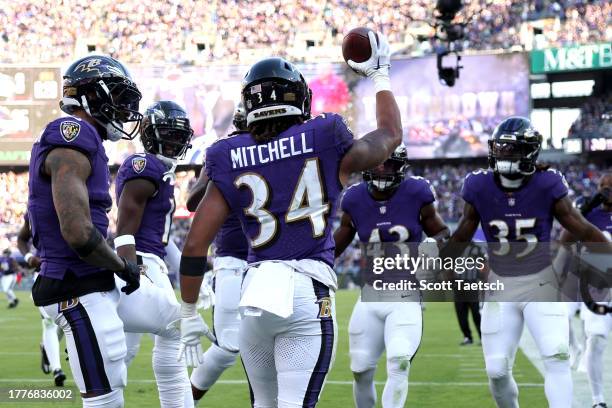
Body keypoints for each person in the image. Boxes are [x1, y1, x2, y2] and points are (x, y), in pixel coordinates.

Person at [178, 31, 402, 407]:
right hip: (306, 290)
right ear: (298, 98)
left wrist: (187, 313)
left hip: (254, 294)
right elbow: (390, 135)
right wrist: (380, 76)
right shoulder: (324, 134)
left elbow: (196, 243)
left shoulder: (227, 154)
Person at [445, 116, 610, 408]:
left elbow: (581, 227)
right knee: (496, 371)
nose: (504, 154)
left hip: (541, 282)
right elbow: (462, 234)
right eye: (500, 147)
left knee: (557, 356)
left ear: (529, 152)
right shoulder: (479, 186)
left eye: (511, 149)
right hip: (500, 285)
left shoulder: (547, 184)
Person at [28, 54, 142, 408]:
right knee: (104, 401)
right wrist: (122, 266)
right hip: (76, 285)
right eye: (119, 98)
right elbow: (78, 232)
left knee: (111, 390)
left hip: (82, 282)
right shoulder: (73, 135)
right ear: (94, 96)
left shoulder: (85, 140)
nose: (124, 109)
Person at [333, 145, 449, 408]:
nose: (382, 169)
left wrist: (432, 245)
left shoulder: (417, 192)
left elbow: (442, 232)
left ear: (401, 166)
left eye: (389, 164)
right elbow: (333, 247)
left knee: (399, 361)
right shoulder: (354, 199)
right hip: (370, 296)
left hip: (405, 296)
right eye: (377, 163)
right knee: (361, 370)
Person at [114, 100, 198, 408]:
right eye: (169, 134)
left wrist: (200, 277)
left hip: (150, 263)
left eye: (180, 135)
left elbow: (162, 241)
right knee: (177, 330)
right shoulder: (144, 166)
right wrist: (130, 268)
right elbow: (124, 226)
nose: (177, 141)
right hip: (140, 266)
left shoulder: (161, 172)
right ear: (151, 134)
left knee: (121, 355)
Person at [186, 107, 250, 405]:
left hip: (272, 261)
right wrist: (220, 174)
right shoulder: (222, 154)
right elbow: (192, 200)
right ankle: (185, 400)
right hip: (233, 260)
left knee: (267, 346)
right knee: (228, 345)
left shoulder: (277, 154)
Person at [557, 174, 611, 408]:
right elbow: (565, 239)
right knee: (596, 339)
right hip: (595, 282)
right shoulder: (587, 213)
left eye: (610, 186)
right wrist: (588, 207)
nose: (605, 190)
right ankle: (598, 400)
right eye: (601, 186)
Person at [16, 212, 66, 386]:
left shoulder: (78, 200)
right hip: (45, 274)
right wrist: (29, 257)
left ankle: (46, 348)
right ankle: (57, 370)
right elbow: (22, 239)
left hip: (74, 275)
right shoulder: (34, 209)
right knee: (49, 322)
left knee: (63, 322)